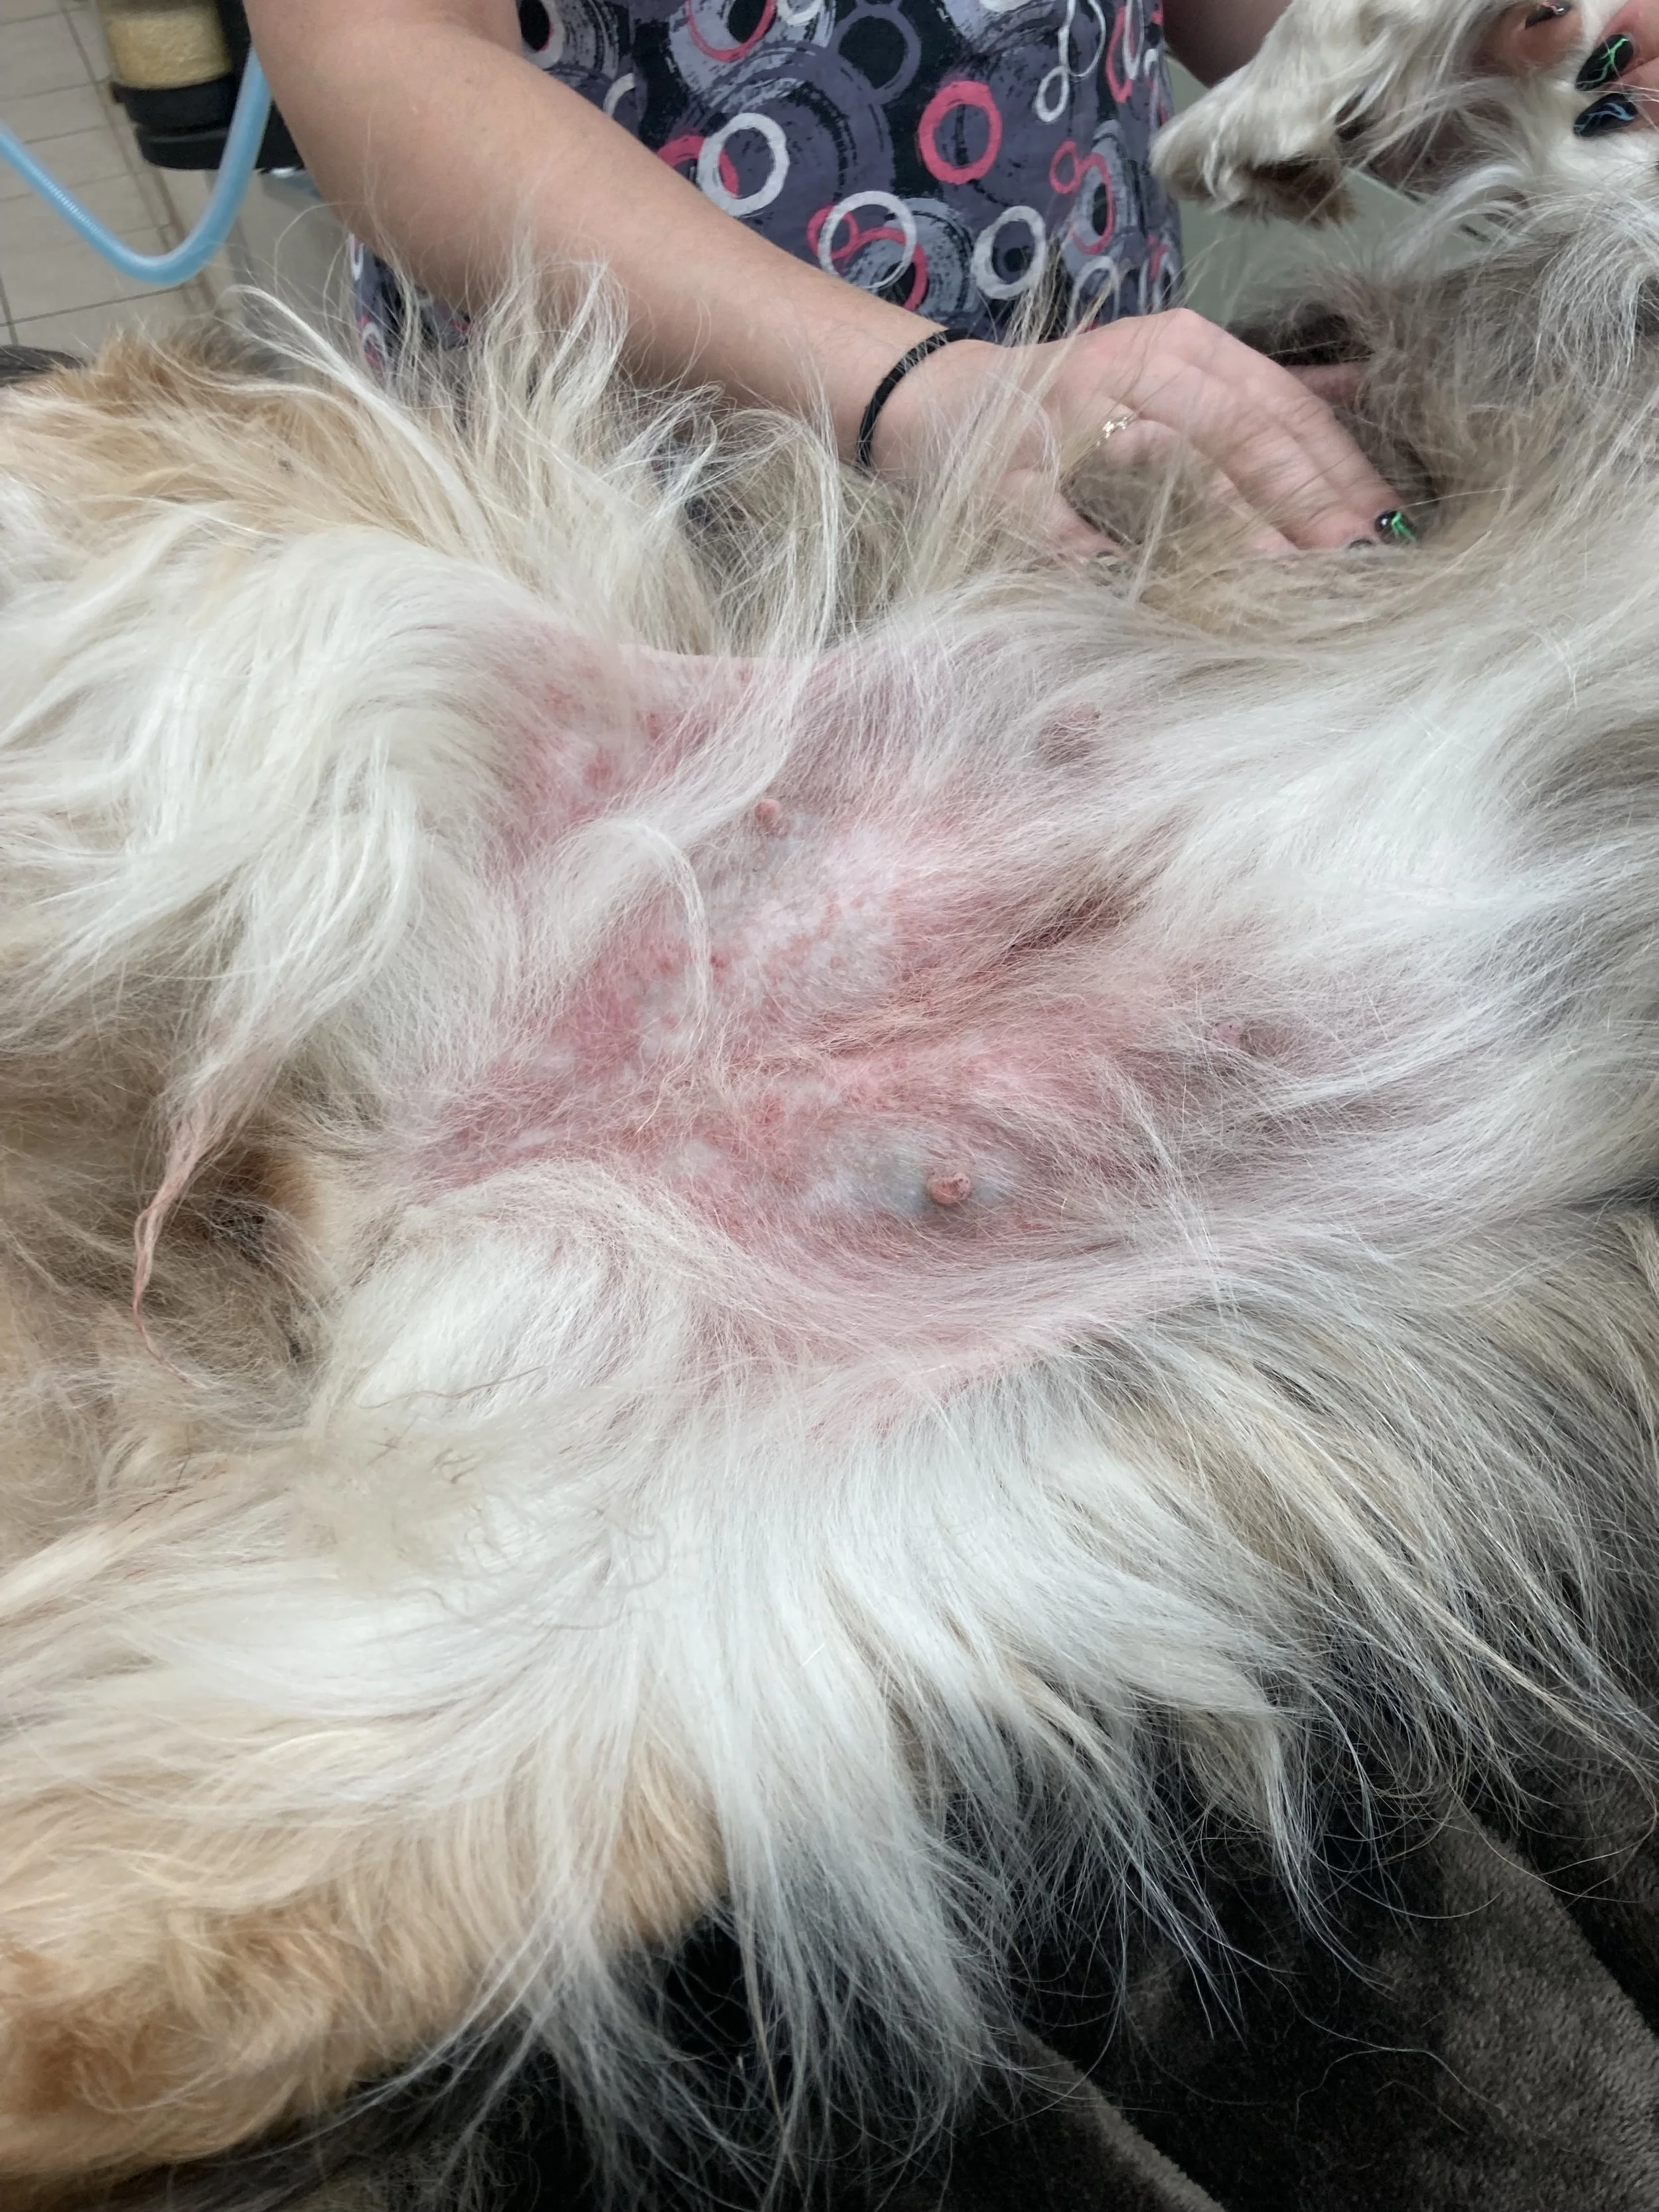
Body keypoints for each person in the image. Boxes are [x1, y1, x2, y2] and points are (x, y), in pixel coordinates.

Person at [248, 0, 1411, 551]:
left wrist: (1454, 56)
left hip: (1081, 433)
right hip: (637, 519)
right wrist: (913, 393)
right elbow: (383, 58)